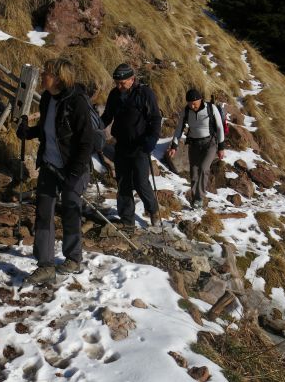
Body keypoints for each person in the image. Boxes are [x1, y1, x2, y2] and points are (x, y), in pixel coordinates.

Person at [16, 57, 93, 285]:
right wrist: (27, 132)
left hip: (73, 168)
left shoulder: (77, 102)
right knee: (44, 212)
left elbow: (86, 142)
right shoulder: (48, 99)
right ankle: (45, 265)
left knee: (70, 212)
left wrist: (74, 174)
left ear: (59, 78)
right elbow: (46, 130)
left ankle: (73, 258)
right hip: (50, 165)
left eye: (46, 73)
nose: (42, 75)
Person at [101, 63, 162, 229]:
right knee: (123, 182)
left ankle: (153, 210)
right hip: (121, 144)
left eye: (122, 83)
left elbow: (155, 118)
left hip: (140, 146)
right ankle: (127, 221)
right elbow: (107, 116)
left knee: (141, 182)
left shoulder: (144, 93)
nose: (119, 86)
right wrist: (96, 127)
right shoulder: (114, 94)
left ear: (132, 79)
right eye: (117, 83)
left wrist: (152, 139)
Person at [168, 88, 225, 208]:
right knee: (194, 172)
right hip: (194, 144)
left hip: (210, 143)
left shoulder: (211, 108)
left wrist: (221, 147)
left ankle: (199, 198)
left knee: (204, 168)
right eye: (190, 103)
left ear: (200, 100)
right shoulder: (186, 111)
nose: (192, 106)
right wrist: (174, 146)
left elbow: (219, 127)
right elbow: (179, 128)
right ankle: (195, 199)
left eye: (194, 103)